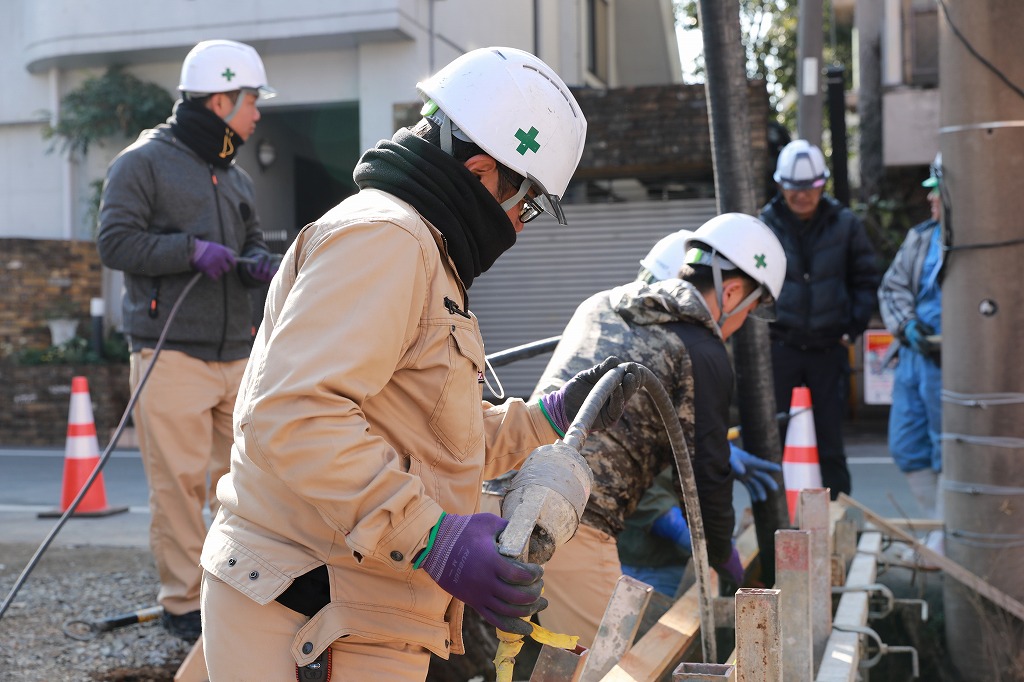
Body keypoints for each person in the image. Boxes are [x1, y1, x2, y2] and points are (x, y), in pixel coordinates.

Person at [197, 47, 637, 680]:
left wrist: (545, 418)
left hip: (348, 606)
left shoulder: (423, 253)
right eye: (529, 205)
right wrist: (435, 539)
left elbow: (425, 436)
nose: (520, 225)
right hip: (311, 611)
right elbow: (294, 415)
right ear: (485, 173)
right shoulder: (389, 239)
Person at [526, 214, 786, 644]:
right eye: (750, 312)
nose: (741, 325)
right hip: (572, 522)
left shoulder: (599, 304)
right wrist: (722, 557)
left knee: (510, 654)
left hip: (496, 494)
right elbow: (706, 480)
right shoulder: (702, 349)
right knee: (612, 663)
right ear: (734, 291)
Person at [96, 39, 280, 642]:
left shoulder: (234, 176)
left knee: (249, 481)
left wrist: (257, 262)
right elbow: (114, 243)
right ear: (223, 98)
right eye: (253, 101)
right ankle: (182, 606)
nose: (258, 113)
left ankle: (241, 590)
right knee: (178, 487)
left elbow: (252, 239)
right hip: (168, 353)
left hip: (238, 353)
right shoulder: (141, 163)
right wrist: (186, 251)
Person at [760, 139, 879, 500]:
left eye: (810, 187)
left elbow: (866, 278)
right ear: (781, 185)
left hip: (829, 347)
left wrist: (851, 328)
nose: (802, 195)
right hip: (781, 347)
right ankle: (774, 516)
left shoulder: (845, 224)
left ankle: (837, 512)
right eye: (794, 187)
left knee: (829, 438)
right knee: (773, 438)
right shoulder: (766, 224)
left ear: (822, 184)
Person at [878, 154, 944, 555]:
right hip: (915, 356)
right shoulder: (922, 237)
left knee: (949, 449)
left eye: (936, 193)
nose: (930, 201)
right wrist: (906, 325)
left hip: (957, 364)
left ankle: (946, 534)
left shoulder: (980, 240)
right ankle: (936, 528)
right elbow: (893, 286)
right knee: (907, 442)